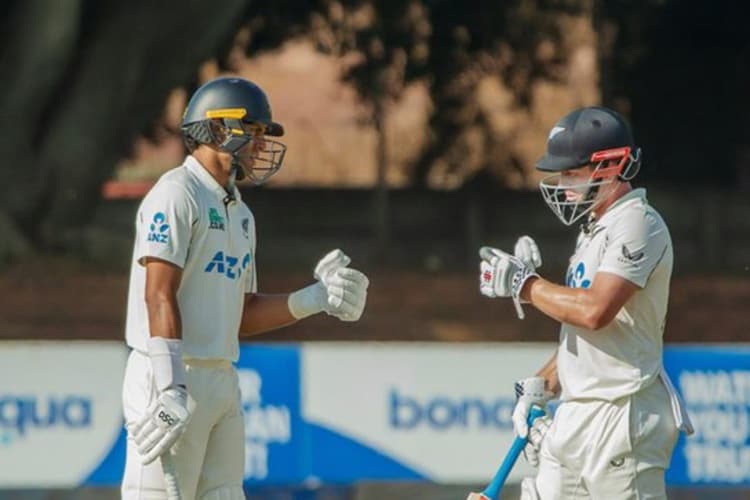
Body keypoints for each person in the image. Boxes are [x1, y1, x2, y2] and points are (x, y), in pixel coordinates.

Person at [121, 77, 369, 500]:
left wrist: (314, 299)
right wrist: (170, 386)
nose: (260, 144)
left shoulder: (241, 214)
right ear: (218, 128)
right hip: (170, 376)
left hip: (221, 378)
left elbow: (242, 313)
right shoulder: (176, 194)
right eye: (252, 131)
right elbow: (158, 294)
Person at [478, 106, 693, 499]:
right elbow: (586, 335)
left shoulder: (639, 223)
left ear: (611, 166)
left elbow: (595, 311)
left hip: (621, 413)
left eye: (572, 173)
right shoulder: (594, 230)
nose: (563, 185)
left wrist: (526, 285)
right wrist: (543, 385)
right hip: (576, 413)